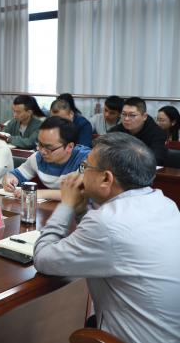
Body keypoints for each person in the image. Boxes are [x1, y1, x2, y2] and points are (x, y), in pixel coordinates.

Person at [33, 133, 180, 343]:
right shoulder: (164, 203)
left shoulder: (107, 222)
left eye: (85, 167)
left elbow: (43, 259)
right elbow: (104, 246)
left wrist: (66, 204)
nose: (80, 174)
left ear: (106, 179)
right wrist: (80, 211)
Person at [2, 116, 90, 201]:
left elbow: (81, 194)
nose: (42, 151)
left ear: (69, 147)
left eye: (49, 147)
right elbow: (16, 175)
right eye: (40, 144)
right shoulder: (38, 157)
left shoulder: (87, 159)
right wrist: (10, 179)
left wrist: (38, 193)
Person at [108, 97, 168, 165]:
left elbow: (157, 158)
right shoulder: (115, 131)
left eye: (132, 115)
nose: (126, 119)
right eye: (124, 114)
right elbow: (104, 153)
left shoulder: (158, 133)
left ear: (144, 116)